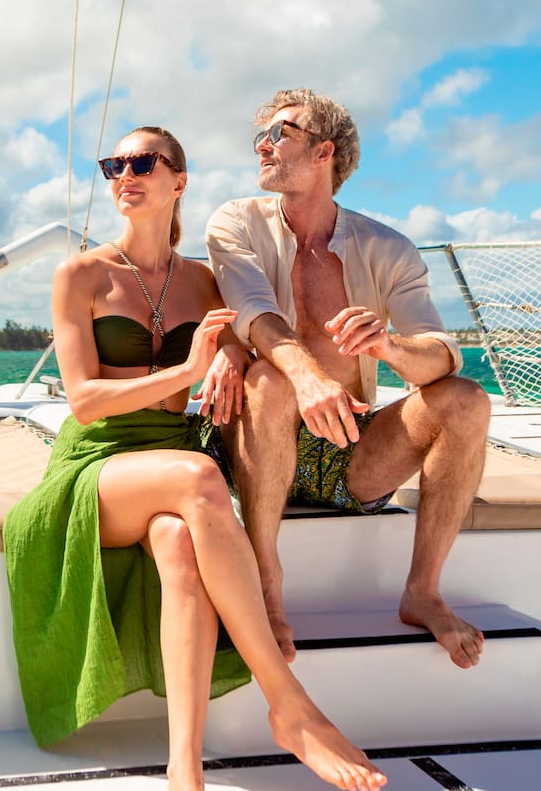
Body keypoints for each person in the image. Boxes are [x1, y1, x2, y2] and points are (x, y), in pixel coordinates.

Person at [4, 127, 386, 791]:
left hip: (172, 458)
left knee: (181, 547)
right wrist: (185, 369)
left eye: (143, 162)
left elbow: (235, 344)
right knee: (202, 476)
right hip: (97, 464)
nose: (125, 173)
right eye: (113, 164)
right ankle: (287, 703)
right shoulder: (82, 275)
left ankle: (185, 768)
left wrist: (230, 363)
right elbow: (86, 400)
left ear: (178, 180)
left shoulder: (205, 282)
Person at [206, 89, 491, 670]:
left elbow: (441, 353)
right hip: (255, 445)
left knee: (465, 400)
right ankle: (266, 579)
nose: (262, 144)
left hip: (349, 452)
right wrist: (305, 376)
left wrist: (388, 345)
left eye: (279, 133)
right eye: (260, 134)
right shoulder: (236, 221)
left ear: (323, 152)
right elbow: (253, 310)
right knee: (270, 381)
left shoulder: (388, 248)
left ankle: (423, 591)